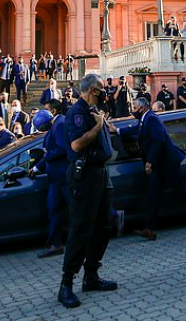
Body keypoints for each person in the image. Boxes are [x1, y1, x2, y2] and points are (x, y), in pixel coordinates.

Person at [57, 74, 119, 309]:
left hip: (100, 174)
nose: (105, 93)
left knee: (103, 227)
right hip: (84, 176)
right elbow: (76, 144)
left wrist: (104, 126)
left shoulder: (94, 111)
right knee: (81, 229)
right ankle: (66, 284)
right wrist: (98, 127)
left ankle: (91, 275)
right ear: (93, 90)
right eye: (102, 89)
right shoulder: (77, 112)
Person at [118, 97, 186, 241]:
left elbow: (158, 141)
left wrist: (149, 161)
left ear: (142, 108)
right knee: (153, 196)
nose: (133, 111)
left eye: (134, 108)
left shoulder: (152, 119)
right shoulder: (145, 119)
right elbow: (136, 129)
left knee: (182, 191)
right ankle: (150, 229)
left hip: (167, 163)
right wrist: (117, 130)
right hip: (158, 166)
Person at [30, 103, 68, 258]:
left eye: (46, 109)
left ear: (53, 110)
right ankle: (55, 244)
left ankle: (111, 216)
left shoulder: (60, 123)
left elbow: (61, 149)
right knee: (53, 209)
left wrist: (48, 156)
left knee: (78, 207)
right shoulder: (55, 125)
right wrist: (36, 168)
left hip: (63, 176)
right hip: (55, 178)